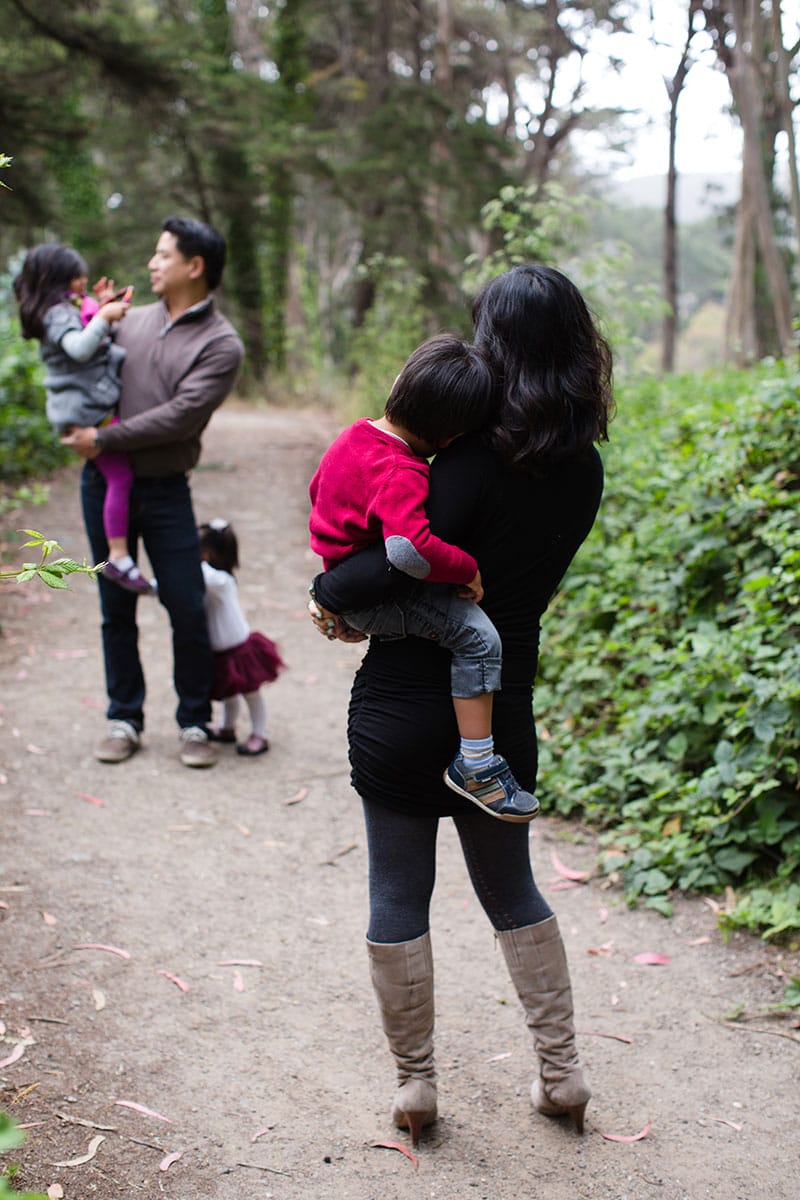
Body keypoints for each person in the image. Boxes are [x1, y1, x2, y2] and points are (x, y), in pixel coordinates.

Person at [308, 264, 613, 1146]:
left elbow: (381, 562)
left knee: (399, 892)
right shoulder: (583, 470)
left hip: (402, 706)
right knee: (512, 888)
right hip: (502, 705)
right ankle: (562, 1073)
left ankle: (416, 1088)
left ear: (495, 348)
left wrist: (329, 593)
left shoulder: (462, 462)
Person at [309, 334, 538, 822]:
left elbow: (319, 491)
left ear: (399, 383)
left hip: (343, 579)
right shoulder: (405, 471)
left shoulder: (353, 436)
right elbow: (407, 551)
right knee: (478, 638)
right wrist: (467, 567)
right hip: (368, 597)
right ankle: (476, 764)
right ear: (453, 440)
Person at [60, 216, 244, 769]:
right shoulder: (128, 321)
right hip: (102, 485)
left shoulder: (221, 343)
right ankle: (124, 717)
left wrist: (104, 436)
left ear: (195, 266)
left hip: (165, 489)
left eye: (163, 255)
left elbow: (180, 418)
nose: (151, 264)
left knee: (185, 604)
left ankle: (194, 722)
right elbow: (79, 356)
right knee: (113, 605)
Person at [13, 244, 152, 595]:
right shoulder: (56, 312)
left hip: (84, 407)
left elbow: (88, 326)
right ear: (56, 279)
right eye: (77, 276)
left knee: (116, 474)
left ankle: (119, 554)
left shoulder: (64, 307)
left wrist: (102, 305)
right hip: (87, 410)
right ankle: (119, 555)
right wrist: (104, 317)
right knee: (120, 477)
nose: (84, 281)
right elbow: (79, 347)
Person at [198, 519, 285, 756]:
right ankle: (227, 727)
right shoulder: (213, 579)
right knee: (228, 693)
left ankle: (260, 734)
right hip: (222, 650)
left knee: (250, 693)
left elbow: (198, 574)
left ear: (209, 553)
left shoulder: (220, 581)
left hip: (239, 649)